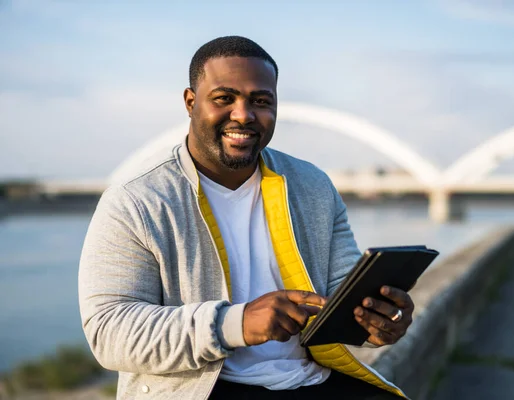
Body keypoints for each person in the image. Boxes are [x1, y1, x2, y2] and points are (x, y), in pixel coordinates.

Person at [79, 36, 415, 400]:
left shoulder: (312, 185)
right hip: (205, 389)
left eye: (261, 101)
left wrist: (376, 323)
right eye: (224, 99)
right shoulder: (136, 200)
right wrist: (235, 323)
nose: (243, 114)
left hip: (313, 380)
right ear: (191, 102)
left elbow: (341, 296)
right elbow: (109, 332)